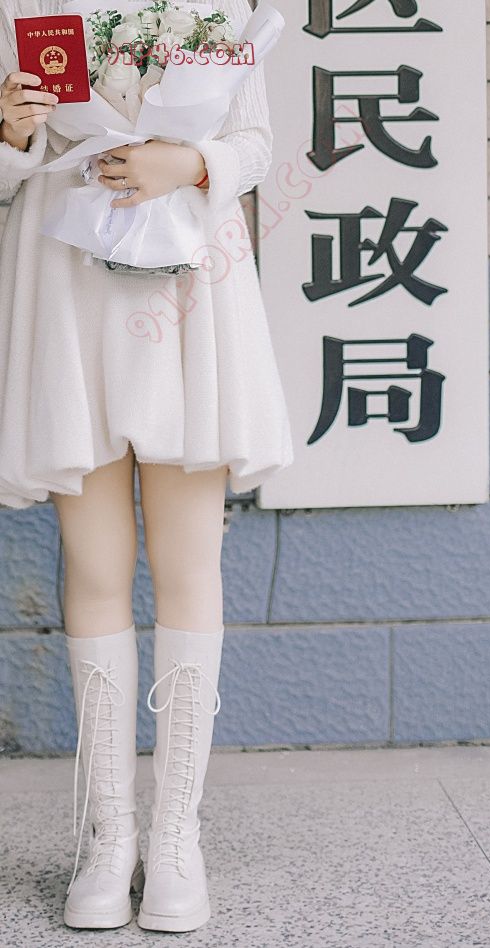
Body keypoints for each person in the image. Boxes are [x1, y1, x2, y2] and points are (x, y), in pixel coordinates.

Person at [0, 0, 293, 933]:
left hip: (187, 281)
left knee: (187, 561)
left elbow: (256, 144)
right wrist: (12, 131)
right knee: (92, 566)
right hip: (64, 276)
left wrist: (187, 163)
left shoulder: (224, 6)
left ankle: (175, 838)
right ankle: (107, 836)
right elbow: (10, 168)